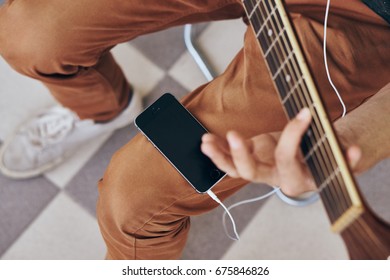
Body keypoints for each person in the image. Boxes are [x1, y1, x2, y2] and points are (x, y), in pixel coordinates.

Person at [0, 0, 388, 259]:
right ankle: (103, 110)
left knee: (133, 201)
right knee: (31, 36)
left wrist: (351, 140)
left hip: (363, 22)